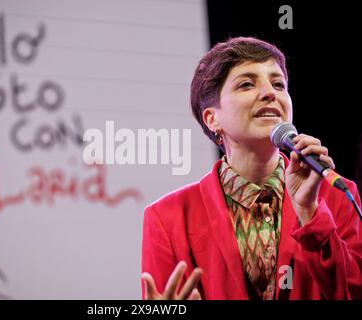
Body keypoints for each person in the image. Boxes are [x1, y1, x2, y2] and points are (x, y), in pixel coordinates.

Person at [141, 37, 362, 300]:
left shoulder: (337, 193)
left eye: (279, 84)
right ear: (212, 119)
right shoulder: (167, 217)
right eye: (247, 84)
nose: (270, 93)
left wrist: (309, 213)